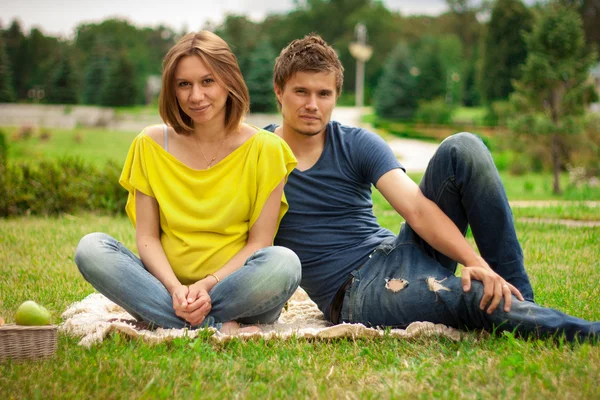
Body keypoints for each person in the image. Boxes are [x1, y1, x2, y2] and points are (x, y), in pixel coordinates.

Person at [264, 34, 599, 341]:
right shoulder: (259, 155)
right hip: (357, 291)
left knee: (463, 148)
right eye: (301, 92)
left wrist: (474, 260)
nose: (313, 105)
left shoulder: (355, 143)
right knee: (473, 297)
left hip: (399, 249)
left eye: (323, 94)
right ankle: (587, 334)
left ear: (336, 95)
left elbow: (417, 208)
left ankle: (519, 297)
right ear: (279, 91)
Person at [75, 31, 301, 335]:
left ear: (229, 81)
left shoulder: (267, 149)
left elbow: (259, 243)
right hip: (166, 289)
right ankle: (213, 326)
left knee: (284, 263)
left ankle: (170, 319)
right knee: (91, 248)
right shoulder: (149, 144)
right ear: (173, 89)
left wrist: (206, 286)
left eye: (207, 81)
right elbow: (147, 239)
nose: (196, 96)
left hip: (236, 289)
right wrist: (174, 289)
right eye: (184, 84)